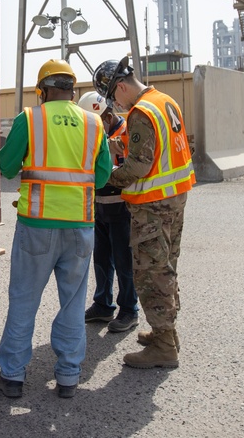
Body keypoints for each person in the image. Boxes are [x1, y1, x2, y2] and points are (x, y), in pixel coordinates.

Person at [0, 59, 112, 399]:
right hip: (80, 226)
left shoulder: (30, 119)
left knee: (24, 300)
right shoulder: (93, 123)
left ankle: (13, 377)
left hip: (37, 226)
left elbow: (6, 166)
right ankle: (68, 377)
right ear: (72, 89)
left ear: (42, 91)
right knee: (74, 303)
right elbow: (102, 177)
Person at [92, 56, 195, 369]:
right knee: (166, 266)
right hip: (175, 199)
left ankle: (164, 345)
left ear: (120, 86)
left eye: (113, 97)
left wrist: (103, 177)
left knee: (152, 273)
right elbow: (149, 145)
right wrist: (113, 145)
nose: (116, 104)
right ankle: (166, 333)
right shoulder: (164, 101)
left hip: (153, 206)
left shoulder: (141, 112)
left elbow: (138, 166)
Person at [77, 91, 140, 333]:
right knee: (101, 259)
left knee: (124, 261)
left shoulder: (125, 134)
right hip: (99, 206)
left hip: (121, 208)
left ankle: (129, 310)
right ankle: (103, 304)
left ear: (109, 115)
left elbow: (130, 170)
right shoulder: (92, 133)